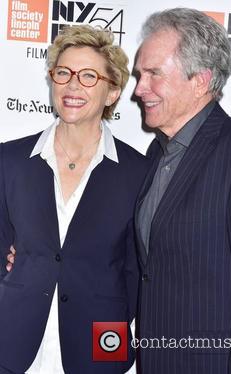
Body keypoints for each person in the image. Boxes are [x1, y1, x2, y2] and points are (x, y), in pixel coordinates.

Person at [133, 8, 231, 374]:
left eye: (153, 74)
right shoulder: (156, 154)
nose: (139, 89)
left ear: (201, 81)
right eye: (141, 75)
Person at [0, 25, 148, 374]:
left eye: (88, 76)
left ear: (112, 92)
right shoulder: (10, 161)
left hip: (98, 347)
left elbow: (136, 271)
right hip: (13, 341)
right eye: (63, 72)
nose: (72, 85)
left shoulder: (139, 172)